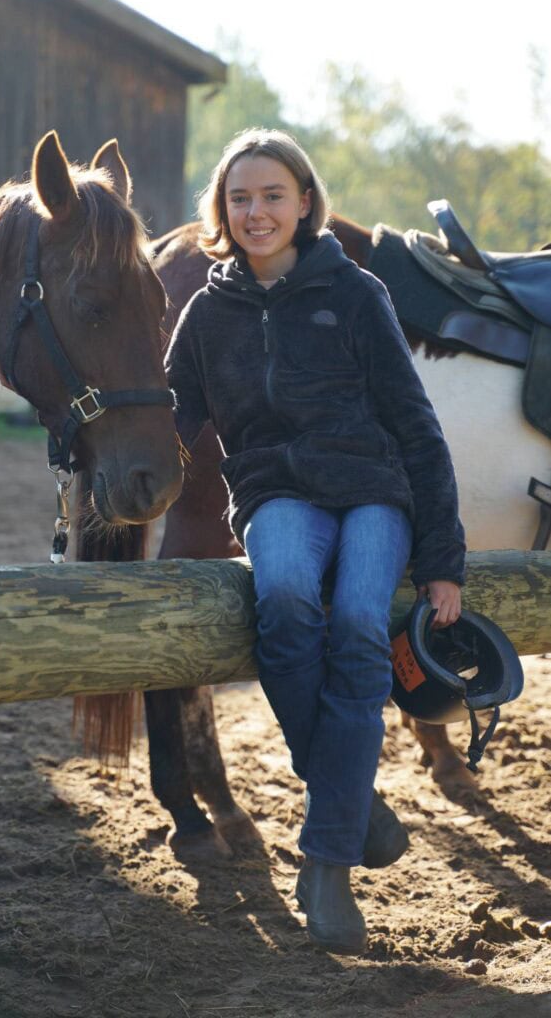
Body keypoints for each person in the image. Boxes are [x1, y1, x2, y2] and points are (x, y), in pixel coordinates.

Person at [164, 128, 465, 956]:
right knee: (288, 600)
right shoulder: (207, 311)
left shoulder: (356, 292)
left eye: (271, 195)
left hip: (373, 490)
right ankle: (353, 801)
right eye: (239, 198)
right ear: (220, 212)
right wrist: (85, 437)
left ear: (304, 203)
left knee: (360, 623)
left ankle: (325, 859)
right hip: (277, 494)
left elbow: (417, 427)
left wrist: (441, 561)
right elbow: (170, 416)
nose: (255, 211)